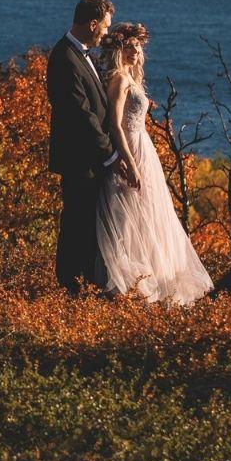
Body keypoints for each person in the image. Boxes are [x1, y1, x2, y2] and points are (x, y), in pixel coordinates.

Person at [95, 22, 214, 306]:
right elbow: (114, 125)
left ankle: (150, 280)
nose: (135, 50)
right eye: (129, 46)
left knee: (149, 215)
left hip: (144, 149)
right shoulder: (119, 81)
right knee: (129, 217)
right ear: (118, 50)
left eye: (138, 46)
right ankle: (129, 285)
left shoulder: (131, 79)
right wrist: (129, 162)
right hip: (132, 150)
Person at [45, 0, 134, 295]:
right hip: (79, 159)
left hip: (89, 159)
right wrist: (110, 154)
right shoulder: (65, 58)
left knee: (88, 224)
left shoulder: (80, 54)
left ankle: (85, 285)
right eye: (105, 27)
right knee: (77, 224)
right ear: (92, 24)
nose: (106, 34)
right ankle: (71, 288)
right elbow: (81, 115)